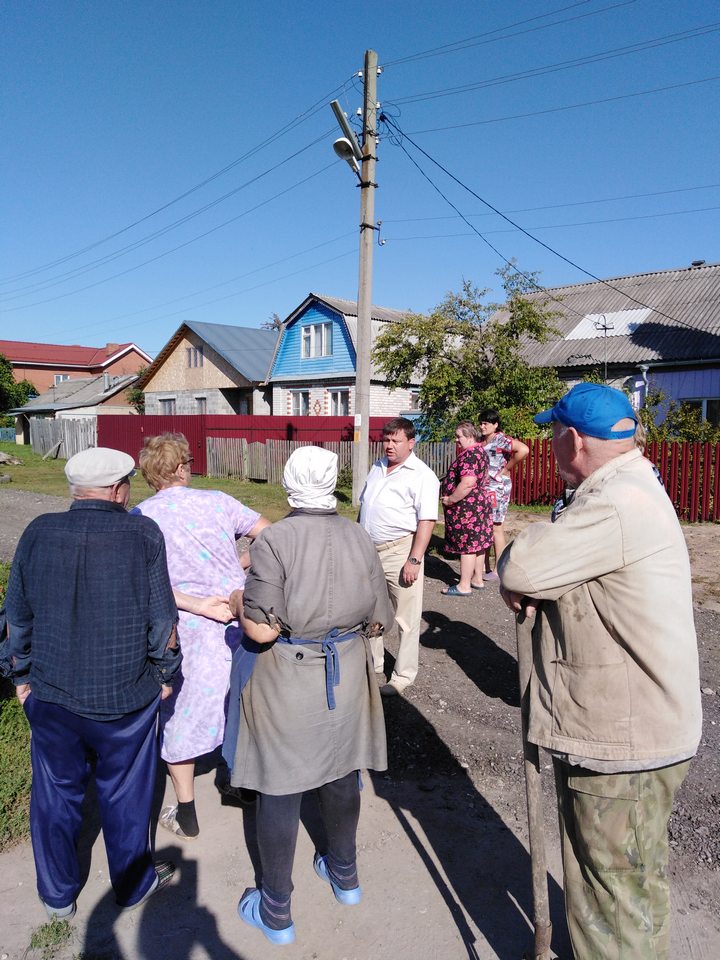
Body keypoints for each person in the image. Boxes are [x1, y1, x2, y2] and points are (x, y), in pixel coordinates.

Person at [498, 383, 702, 960]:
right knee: (624, 884)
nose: (548, 442)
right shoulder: (630, 485)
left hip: (623, 736)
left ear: (573, 439)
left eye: (552, 432)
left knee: (611, 898)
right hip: (631, 726)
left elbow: (523, 567)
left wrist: (528, 545)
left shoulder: (613, 503)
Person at [3, 447, 180, 917]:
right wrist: (165, 673)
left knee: (55, 795)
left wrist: (20, 676)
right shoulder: (143, 533)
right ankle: (131, 885)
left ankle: (58, 896)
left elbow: (16, 616)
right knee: (125, 796)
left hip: (52, 694)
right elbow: (163, 619)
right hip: (125, 697)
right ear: (120, 488)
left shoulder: (39, 531)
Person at [227, 446, 393, 945]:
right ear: (333, 481)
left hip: (286, 674)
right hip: (345, 671)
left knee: (280, 786)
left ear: (287, 482)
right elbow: (379, 616)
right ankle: (346, 877)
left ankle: (276, 911)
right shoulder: (359, 535)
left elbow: (259, 632)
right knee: (342, 773)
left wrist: (238, 599)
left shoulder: (274, 540)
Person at [135, 433, 270, 840]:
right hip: (237, 618)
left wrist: (192, 602)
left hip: (184, 629)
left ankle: (187, 809)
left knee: (183, 712)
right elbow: (270, 535)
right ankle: (239, 783)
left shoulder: (140, 518)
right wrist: (241, 562)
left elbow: (141, 584)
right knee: (240, 701)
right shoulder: (218, 501)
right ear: (180, 469)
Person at [359, 417, 440, 696]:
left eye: (396, 441)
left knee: (405, 616)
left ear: (411, 442)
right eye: (386, 440)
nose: (389, 446)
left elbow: (427, 520)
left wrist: (415, 560)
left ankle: (403, 675)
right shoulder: (378, 466)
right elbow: (365, 508)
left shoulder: (422, 475)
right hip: (370, 551)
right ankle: (374, 664)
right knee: (370, 610)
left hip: (400, 551)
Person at [440, 421, 495, 596]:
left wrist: (450, 499)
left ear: (470, 436)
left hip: (467, 506)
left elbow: (468, 483)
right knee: (478, 543)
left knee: (467, 546)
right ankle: (477, 579)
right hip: (479, 504)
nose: (456, 440)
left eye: (459, 436)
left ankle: (464, 585)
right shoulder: (480, 452)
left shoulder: (469, 455)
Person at [478, 408, 529, 580]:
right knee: (483, 526)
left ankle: (498, 568)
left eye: (486, 423)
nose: (482, 426)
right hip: (484, 487)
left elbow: (523, 450)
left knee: (496, 527)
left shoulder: (502, 440)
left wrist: (506, 469)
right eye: (481, 423)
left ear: (495, 425)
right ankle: (483, 567)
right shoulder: (482, 441)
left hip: (497, 487)